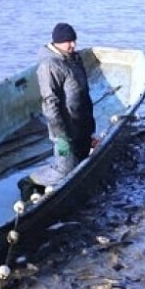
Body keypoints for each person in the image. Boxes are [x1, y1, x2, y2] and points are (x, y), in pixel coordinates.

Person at [34, 22, 97, 184]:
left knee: (82, 165)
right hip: (65, 129)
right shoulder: (49, 65)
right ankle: (31, 182)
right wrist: (60, 136)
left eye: (74, 40)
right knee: (65, 172)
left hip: (81, 125)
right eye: (68, 41)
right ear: (57, 42)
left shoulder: (74, 59)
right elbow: (50, 103)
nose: (73, 45)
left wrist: (90, 128)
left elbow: (82, 94)